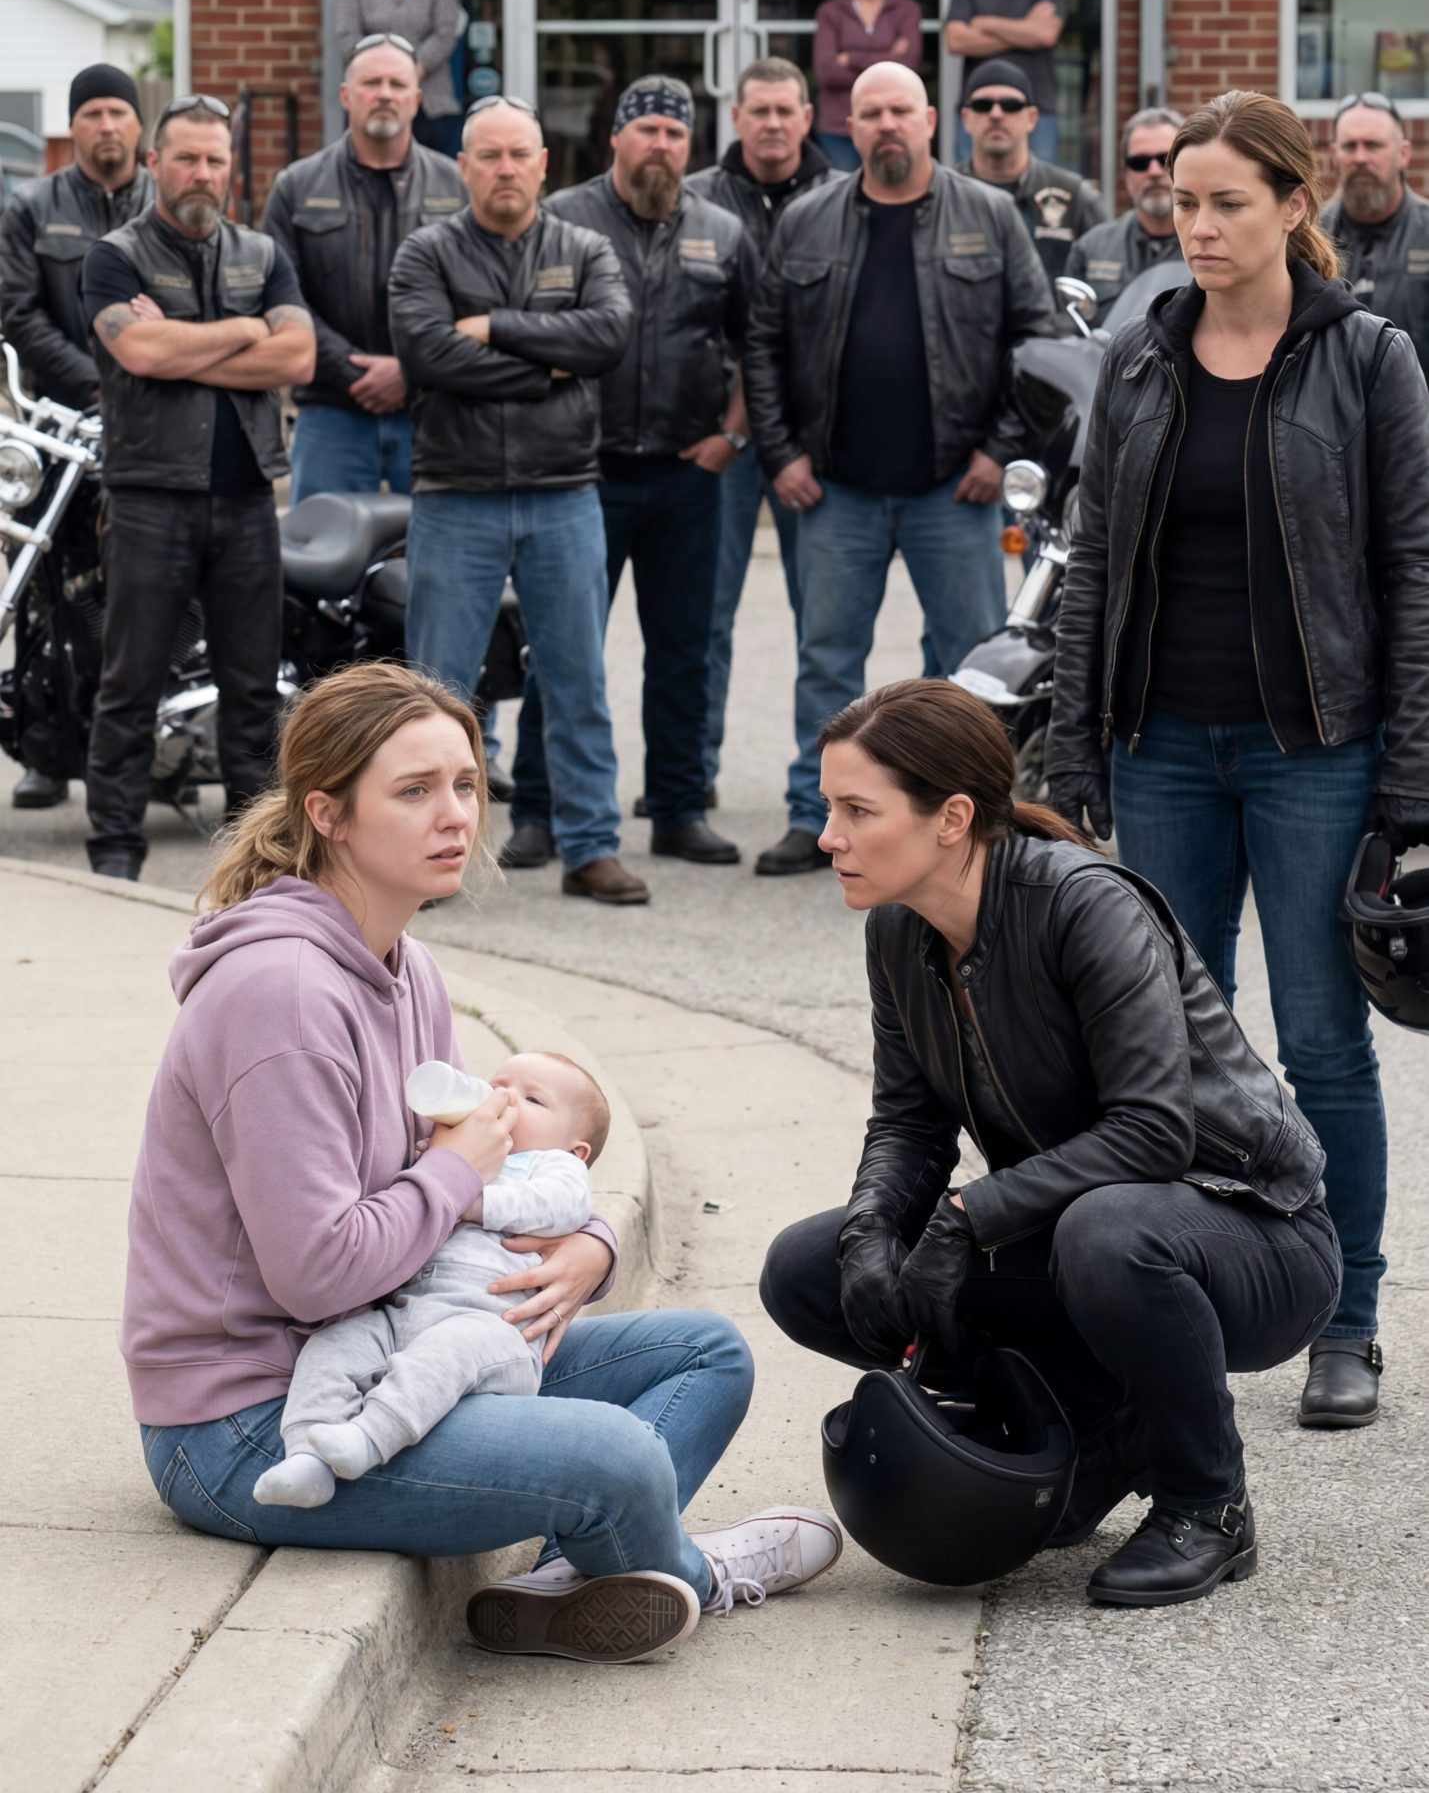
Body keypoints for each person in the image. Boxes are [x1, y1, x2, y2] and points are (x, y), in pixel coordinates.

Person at [126, 660, 840, 1666]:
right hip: (254, 1421)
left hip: (404, 1341)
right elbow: (317, 1271)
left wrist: (590, 1244)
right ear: (327, 813)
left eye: (464, 784)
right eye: (414, 791)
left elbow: (490, 1168)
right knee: (618, 1458)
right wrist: (456, 1169)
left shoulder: (406, 966)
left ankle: (567, 1581)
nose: (455, 815)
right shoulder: (278, 997)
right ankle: (696, 1570)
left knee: (706, 1353)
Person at [760, 679, 1340, 1608]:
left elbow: (1154, 1131)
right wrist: (871, 1231)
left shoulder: (1082, 904)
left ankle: (1207, 1503)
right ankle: (1090, 1431)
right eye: (829, 808)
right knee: (807, 1268)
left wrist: (965, 1217)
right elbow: (908, 1122)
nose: (828, 836)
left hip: (1253, 1235)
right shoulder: (898, 930)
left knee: (1105, 1234)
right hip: (1075, 1230)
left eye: (857, 811)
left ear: (952, 818)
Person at [1047, 89, 1429, 1434]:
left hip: (1313, 751)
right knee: (1159, 1051)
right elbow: (1092, 561)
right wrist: (1072, 742)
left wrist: (1411, 781)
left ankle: (1345, 1320)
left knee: (1323, 1043)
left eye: (1223, 202)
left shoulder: (1367, 358)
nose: (1194, 226)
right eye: (1180, 202)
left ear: (1290, 204)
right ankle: (1181, 1308)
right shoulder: (1139, 358)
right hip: (1159, 745)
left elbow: (1414, 571)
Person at [743, 61, 1055, 877]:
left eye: (899, 111)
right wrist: (780, 454)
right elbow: (763, 346)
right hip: (835, 489)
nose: (885, 125)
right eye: (870, 112)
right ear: (849, 126)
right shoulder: (806, 219)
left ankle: (971, 822)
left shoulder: (988, 215)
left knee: (970, 669)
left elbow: (1035, 341)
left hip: (953, 488)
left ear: (928, 122)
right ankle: (816, 817)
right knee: (826, 662)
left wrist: (997, 450)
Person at [388, 94, 648, 907]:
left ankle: (591, 847)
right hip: (455, 494)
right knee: (435, 694)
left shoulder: (584, 247)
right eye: (489, 156)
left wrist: (492, 327)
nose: (505, 169)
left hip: (563, 493)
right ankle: (423, 864)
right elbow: (428, 356)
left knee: (577, 682)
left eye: (518, 155)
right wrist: (548, 363)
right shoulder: (425, 253)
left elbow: (606, 337)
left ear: (543, 165)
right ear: (462, 167)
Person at [510, 76, 757, 870]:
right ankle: (538, 812)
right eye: (646, 129)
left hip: (689, 474)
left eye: (674, 134)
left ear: (691, 147)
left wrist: (731, 435)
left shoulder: (722, 232)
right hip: (582, 473)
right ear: (615, 137)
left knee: (683, 650)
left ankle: (678, 809)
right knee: (561, 650)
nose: (660, 145)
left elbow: (757, 347)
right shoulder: (562, 220)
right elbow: (531, 334)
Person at [80, 95, 315, 882]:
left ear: (231, 167)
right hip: (149, 498)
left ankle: (260, 864)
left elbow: (298, 359)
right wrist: (248, 329)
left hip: (248, 500)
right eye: (186, 158)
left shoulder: (263, 254)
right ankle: (114, 855)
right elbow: (141, 354)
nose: (202, 173)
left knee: (253, 691)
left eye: (216, 159)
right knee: (130, 684)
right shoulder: (114, 256)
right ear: (154, 163)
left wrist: (186, 345)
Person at [251, 1050, 604, 1507]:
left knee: (445, 1354)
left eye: (533, 1099)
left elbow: (565, 1206)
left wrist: (472, 1198)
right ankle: (306, 1457)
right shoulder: (464, 1146)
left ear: (576, 1149)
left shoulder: (553, 1166)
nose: (505, 1099)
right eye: (499, 1085)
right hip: (406, 1313)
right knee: (332, 1347)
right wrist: (441, 1161)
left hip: (491, 1327)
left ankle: (368, 1438)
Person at [0, 62, 152, 810]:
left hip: (149, 425)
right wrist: (96, 380)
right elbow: (17, 310)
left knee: (131, 592)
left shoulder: (163, 199)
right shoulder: (33, 206)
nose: (106, 125)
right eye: (92, 113)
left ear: (138, 124)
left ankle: (123, 746)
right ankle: (45, 753)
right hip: (57, 429)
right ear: (74, 126)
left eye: (118, 112)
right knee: (44, 591)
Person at [687, 57, 831, 804]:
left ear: (807, 117)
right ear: (735, 117)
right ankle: (691, 780)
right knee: (704, 618)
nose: (772, 124)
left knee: (823, 627)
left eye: (785, 110)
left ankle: (824, 788)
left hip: (814, 445)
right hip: (723, 439)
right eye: (759, 111)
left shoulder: (844, 200)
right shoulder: (694, 201)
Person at [263, 35, 464, 505]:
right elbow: (278, 297)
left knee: (436, 550)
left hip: (433, 412)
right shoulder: (296, 188)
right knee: (324, 548)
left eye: (398, 84)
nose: (385, 94)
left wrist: (411, 371)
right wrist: (349, 370)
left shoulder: (458, 189)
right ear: (345, 95)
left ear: (417, 98)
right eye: (371, 82)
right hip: (331, 413)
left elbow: (477, 296)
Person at [956, 57, 1106, 289]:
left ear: (1032, 118)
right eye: (983, 105)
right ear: (966, 119)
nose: (996, 114)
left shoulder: (1073, 195)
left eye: (1011, 105)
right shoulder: (945, 196)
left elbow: (1105, 277)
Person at [943, 0, 1068, 164]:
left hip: (1036, 110)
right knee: (972, 187)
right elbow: (955, 40)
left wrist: (984, 23)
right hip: (977, 108)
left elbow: (1045, 35)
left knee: (1039, 187)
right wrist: (1025, 28)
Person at [334, 0, 464, 157]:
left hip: (432, 102)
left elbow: (445, 32)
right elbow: (347, 37)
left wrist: (413, 68)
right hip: (374, 101)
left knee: (437, 174)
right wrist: (384, 71)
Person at [1322, 90, 1429, 380]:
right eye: (1349, 146)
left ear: (1403, 153)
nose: (1360, 157)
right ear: (1334, 155)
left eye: (1372, 145)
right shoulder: (1309, 238)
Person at [811, 0, 923, 174]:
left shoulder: (906, 9)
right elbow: (827, 72)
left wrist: (851, 57)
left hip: (893, 124)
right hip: (838, 124)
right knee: (842, 189)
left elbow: (907, 67)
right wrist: (888, 58)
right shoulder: (830, 11)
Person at [1068, 106, 1186, 327]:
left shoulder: (1210, 244)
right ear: (1125, 173)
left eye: (1165, 159)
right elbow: (1071, 328)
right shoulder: (1092, 247)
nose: (1153, 171)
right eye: (1139, 162)